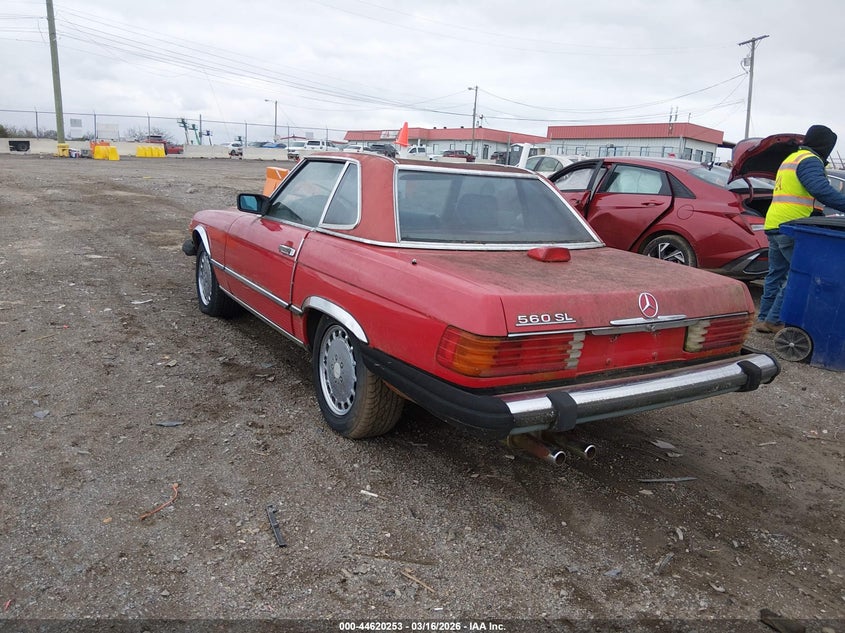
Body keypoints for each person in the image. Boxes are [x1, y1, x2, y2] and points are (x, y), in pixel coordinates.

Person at [755, 124, 845, 333]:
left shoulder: (791, 159)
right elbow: (820, 188)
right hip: (793, 227)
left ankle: (764, 319)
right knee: (802, 273)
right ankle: (774, 320)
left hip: (775, 223)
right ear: (825, 145)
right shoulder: (810, 161)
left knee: (776, 275)